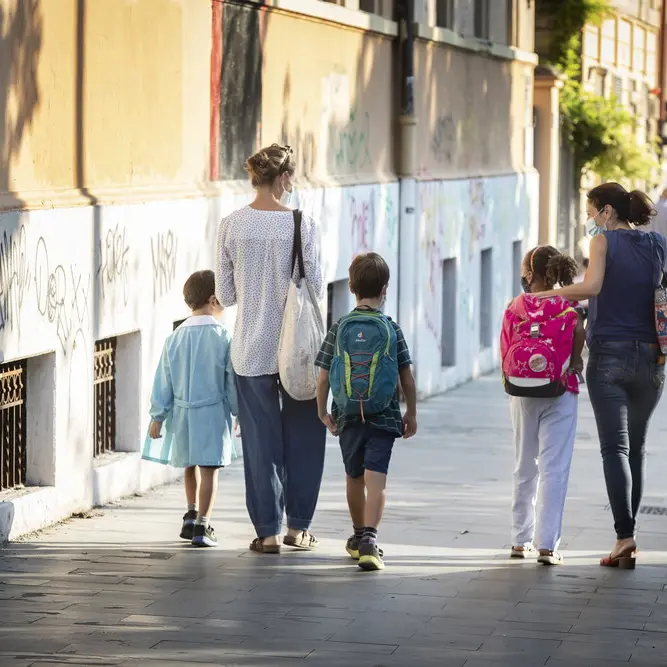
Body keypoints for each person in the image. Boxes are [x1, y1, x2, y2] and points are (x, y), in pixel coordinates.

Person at [535, 182, 667, 569]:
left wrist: (541, 297)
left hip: (610, 354)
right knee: (636, 449)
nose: (589, 220)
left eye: (591, 212)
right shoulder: (657, 244)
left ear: (607, 211)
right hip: (652, 359)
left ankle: (624, 536)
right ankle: (628, 536)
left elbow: (592, 287)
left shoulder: (603, 243)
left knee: (616, 449)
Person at [215, 143, 326, 554]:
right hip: (298, 353)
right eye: (291, 178)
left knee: (260, 445)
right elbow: (313, 287)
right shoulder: (303, 225)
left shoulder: (230, 225)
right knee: (305, 437)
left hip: (251, 348)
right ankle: (298, 527)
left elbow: (225, 295)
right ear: (282, 179)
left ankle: (267, 532)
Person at [315, 253, 417, 571]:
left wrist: (322, 412)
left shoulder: (340, 327)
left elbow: (321, 376)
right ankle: (371, 538)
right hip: (384, 415)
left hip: (347, 415)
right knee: (377, 479)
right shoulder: (391, 328)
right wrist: (410, 412)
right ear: (384, 289)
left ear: (352, 288)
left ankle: (358, 535)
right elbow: (406, 376)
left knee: (353, 476)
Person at [142, 270, 237, 548]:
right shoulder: (221, 336)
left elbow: (164, 378)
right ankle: (204, 526)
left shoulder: (175, 337)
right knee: (210, 469)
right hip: (211, 414)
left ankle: (190, 513)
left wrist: (157, 416)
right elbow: (229, 380)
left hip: (182, 414)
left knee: (189, 464)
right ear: (213, 299)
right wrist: (238, 410)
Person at [503, 247, 585, 566]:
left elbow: (505, 346)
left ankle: (519, 539)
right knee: (555, 468)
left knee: (524, 465)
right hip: (561, 389)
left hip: (522, 393)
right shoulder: (568, 304)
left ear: (530, 274)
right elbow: (579, 333)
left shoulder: (516, 306)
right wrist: (575, 361)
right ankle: (547, 545)